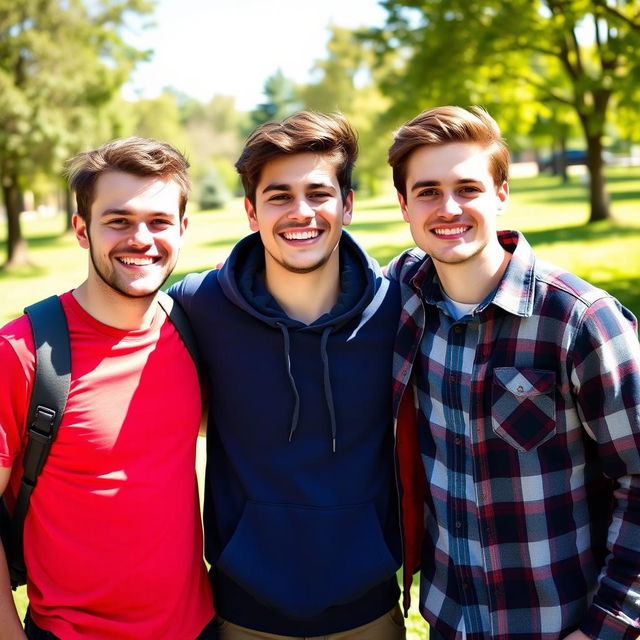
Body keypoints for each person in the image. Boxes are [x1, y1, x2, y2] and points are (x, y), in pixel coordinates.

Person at [387, 105, 640, 640]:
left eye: (468, 188)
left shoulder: (580, 320)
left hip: (560, 624)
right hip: (448, 621)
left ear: (501, 194)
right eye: (428, 191)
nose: (448, 207)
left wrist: (609, 625)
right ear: (404, 206)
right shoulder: (402, 300)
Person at [169, 111, 414, 639]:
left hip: (368, 608)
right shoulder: (198, 306)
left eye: (318, 193)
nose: (300, 212)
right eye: (279, 196)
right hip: (243, 609)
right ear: (251, 212)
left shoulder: (398, 307)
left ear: (347, 204)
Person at [0, 138, 216, 639]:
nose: (141, 238)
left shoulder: (189, 331)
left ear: (182, 229)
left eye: (159, 221)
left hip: (199, 628)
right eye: (118, 221)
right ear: (82, 229)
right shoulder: (23, 351)